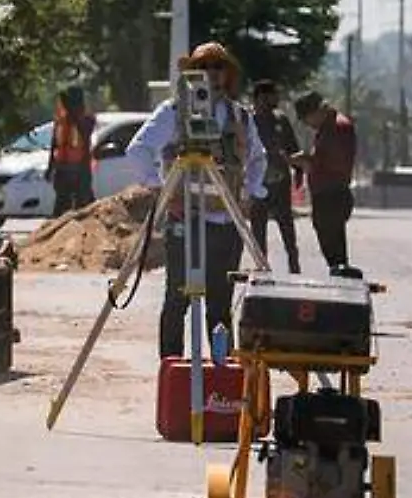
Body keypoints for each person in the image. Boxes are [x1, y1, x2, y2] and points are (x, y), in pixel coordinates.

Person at [125, 42, 267, 361]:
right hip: (185, 220)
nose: (211, 75)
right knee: (178, 300)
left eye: (218, 67)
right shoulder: (175, 112)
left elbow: (258, 158)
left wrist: (253, 194)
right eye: (204, 67)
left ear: (227, 74)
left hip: (226, 224)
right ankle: (171, 369)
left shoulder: (240, 116)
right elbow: (138, 151)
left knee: (219, 305)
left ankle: (220, 373)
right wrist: (162, 190)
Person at [292, 90, 358, 276]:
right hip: (326, 195)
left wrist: (308, 159)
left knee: (334, 251)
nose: (307, 125)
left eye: (306, 119)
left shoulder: (338, 127)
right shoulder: (327, 128)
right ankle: (340, 278)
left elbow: (334, 162)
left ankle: (343, 283)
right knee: (332, 250)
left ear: (316, 111)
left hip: (332, 195)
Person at [247, 80, 303, 273]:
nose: (275, 99)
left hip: (280, 181)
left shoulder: (281, 120)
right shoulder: (249, 121)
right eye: (270, 95)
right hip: (258, 184)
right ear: (259, 98)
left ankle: (294, 263)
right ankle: (261, 266)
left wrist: (299, 171)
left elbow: (293, 148)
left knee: (286, 224)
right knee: (258, 227)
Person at [46, 86, 98, 215]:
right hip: (62, 168)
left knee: (84, 207)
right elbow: (55, 144)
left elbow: (85, 134)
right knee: (61, 206)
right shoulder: (61, 120)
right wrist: (50, 167)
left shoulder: (87, 119)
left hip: (80, 168)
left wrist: (72, 113)